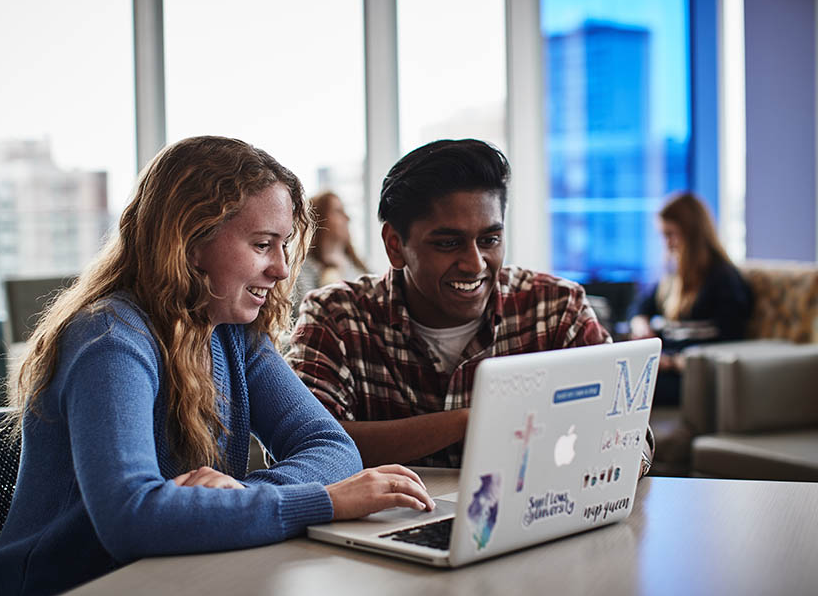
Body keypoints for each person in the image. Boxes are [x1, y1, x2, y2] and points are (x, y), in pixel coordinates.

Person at [0, 136, 433, 596]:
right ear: (189, 242)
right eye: (261, 244)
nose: (278, 268)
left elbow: (332, 447)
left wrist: (243, 496)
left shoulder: (232, 333)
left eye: (283, 245)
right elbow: (132, 518)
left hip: (160, 588)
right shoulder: (110, 338)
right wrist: (321, 502)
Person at [286, 139, 654, 472]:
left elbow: (631, 438)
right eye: (448, 243)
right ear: (395, 245)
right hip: (382, 535)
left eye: (490, 239)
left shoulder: (555, 307)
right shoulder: (337, 316)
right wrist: (471, 421)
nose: (475, 263)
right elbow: (302, 450)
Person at [629, 191, 753, 405]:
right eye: (663, 235)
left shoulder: (724, 278)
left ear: (692, 233)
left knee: (626, 390)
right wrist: (640, 323)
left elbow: (731, 340)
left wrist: (673, 362)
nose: (667, 243)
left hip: (692, 376)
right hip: (666, 366)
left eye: (671, 234)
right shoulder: (672, 275)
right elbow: (640, 307)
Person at [293, 191, 369, 311]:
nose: (347, 218)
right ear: (319, 218)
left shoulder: (359, 268)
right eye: (338, 211)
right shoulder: (302, 269)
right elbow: (303, 312)